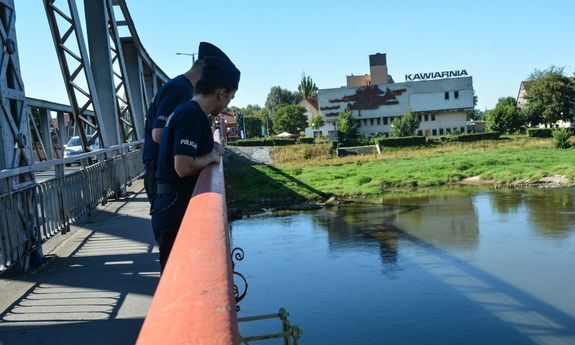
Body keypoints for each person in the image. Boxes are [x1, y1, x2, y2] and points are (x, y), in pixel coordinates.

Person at [152, 56, 240, 271]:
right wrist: (210, 157)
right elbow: (183, 166)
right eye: (230, 98)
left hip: (171, 205)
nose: (229, 103)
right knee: (178, 279)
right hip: (174, 208)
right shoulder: (191, 115)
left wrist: (211, 149)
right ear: (222, 93)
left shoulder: (190, 111)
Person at [142, 42, 232, 205]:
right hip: (164, 178)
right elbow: (158, 134)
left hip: (164, 175)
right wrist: (205, 154)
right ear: (206, 68)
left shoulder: (182, 87)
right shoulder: (180, 89)